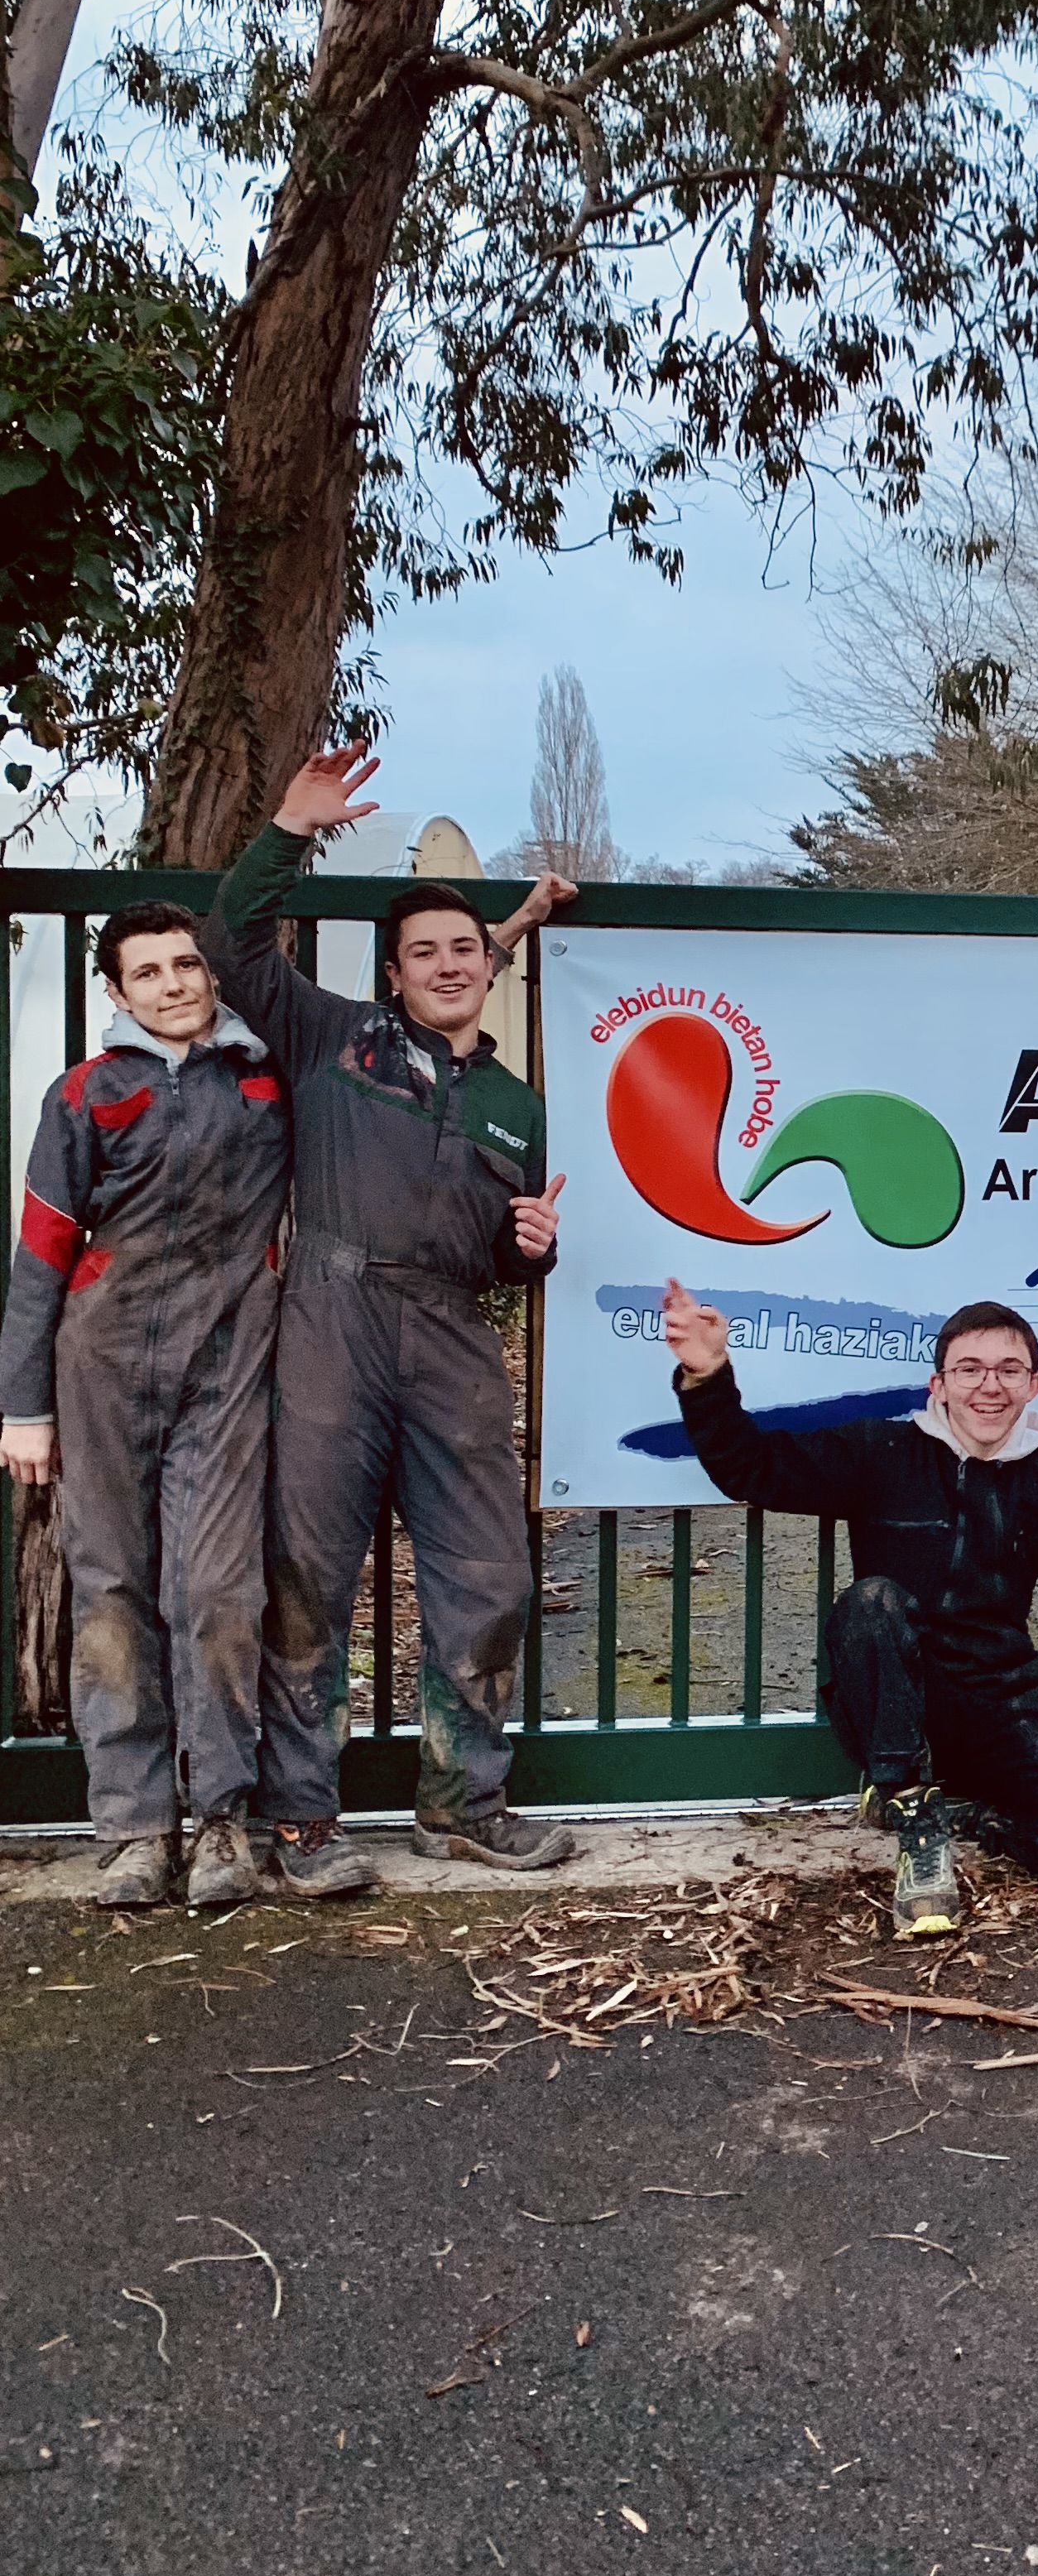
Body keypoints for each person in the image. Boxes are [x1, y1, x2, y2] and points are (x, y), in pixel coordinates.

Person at [201, 749, 576, 1889]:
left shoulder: (518, 1105)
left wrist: (531, 1257)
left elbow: (509, 1256)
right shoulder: (334, 1039)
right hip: (328, 1311)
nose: (451, 964)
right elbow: (230, 951)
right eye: (426, 952)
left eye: (467, 947)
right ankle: (302, 1819)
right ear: (394, 974)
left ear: (485, 965)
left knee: (490, 1573)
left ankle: (462, 1802)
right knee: (309, 1572)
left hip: (452, 1330)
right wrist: (287, 829)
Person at [658, 1282, 1038, 1934]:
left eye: (1008, 1371)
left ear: (1034, 1385)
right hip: (894, 1701)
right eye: (969, 1370)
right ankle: (915, 1819)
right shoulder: (877, 1452)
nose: (989, 1387)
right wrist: (707, 1373)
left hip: (1000, 1698)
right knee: (873, 1601)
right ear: (938, 1385)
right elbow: (752, 1468)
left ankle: (968, 1817)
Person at [0, 904, 290, 1910]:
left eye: (187, 964)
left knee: (214, 1593)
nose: (175, 984)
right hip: (101, 1370)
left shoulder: (264, 1079)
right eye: (150, 973)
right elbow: (39, 1255)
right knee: (111, 1592)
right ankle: (132, 1829)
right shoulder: (84, 1093)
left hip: (225, 1367)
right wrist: (22, 1406)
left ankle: (220, 1821)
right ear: (117, 995)